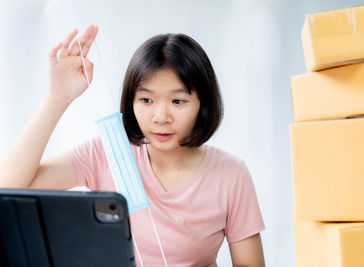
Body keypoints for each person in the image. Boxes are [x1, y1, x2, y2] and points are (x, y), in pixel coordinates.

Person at [0, 24, 265, 266]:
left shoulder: (231, 175)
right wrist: (55, 100)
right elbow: (6, 188)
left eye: (178, 101)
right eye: (147, 100)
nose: (161, 117)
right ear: (131, 101)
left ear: (202, 105)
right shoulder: (107, 153)